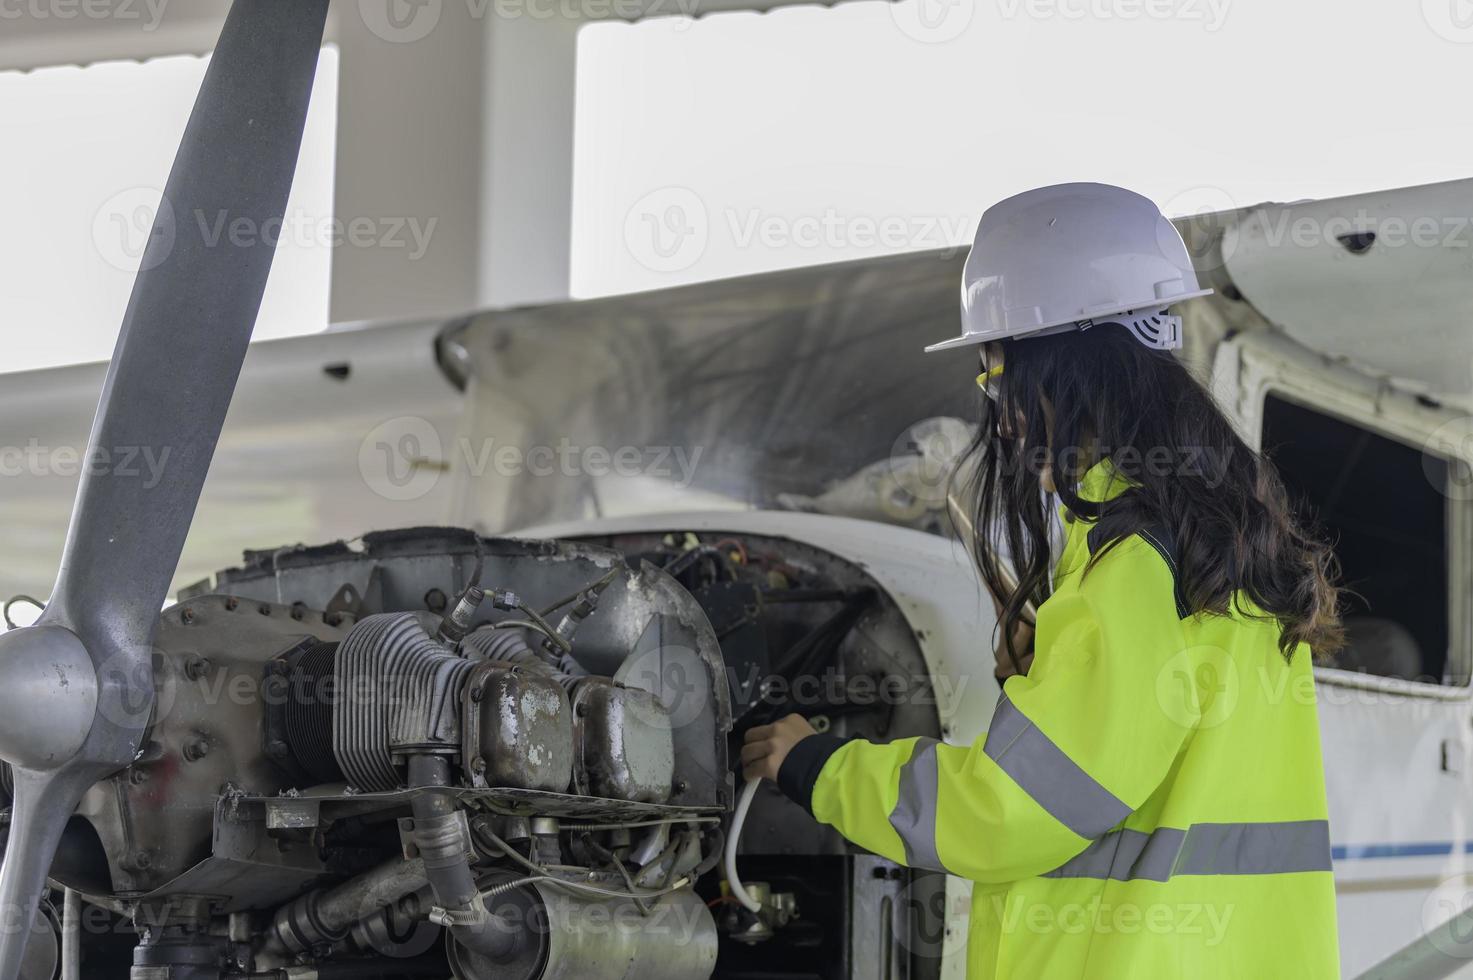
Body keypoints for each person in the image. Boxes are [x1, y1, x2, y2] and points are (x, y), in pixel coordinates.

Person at [741, 183, 1343, 978]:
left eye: (996, 367)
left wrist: (816, 765)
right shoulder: (1218, 553)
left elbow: (1003, 812)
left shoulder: (1132, 572)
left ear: (1062, 362)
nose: (999, 404)